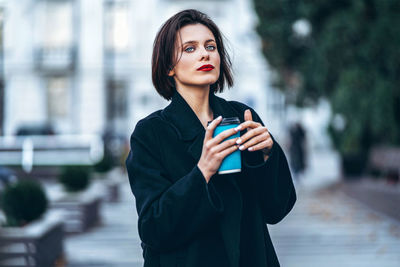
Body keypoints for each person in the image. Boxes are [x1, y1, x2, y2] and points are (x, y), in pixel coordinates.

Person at [125, 9, 296, 267]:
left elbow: (277, 209)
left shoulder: (242, 118)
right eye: (190, 48)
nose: (205, 53)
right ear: (169, 66)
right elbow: (153, 227)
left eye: (211, 46)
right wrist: (202, 171)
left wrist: (268, 155)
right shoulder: (151, 133)